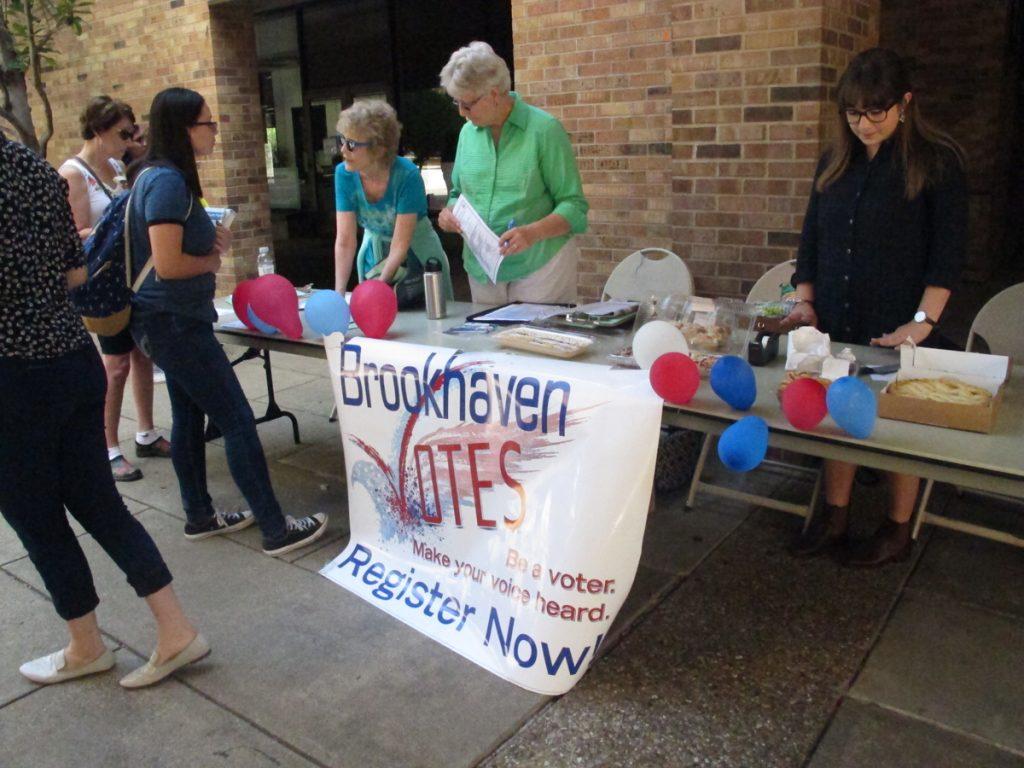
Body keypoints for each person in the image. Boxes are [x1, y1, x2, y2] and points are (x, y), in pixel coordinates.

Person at [0, 130, 207, 689]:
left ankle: (86, 644)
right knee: (99, 502)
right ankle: (175, 629)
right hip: (71, 360)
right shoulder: (37, 171)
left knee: (38, 520)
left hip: (11, 377)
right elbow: (76, 273)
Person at [786, 48, 968, 567]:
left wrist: (922, 324)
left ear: (904, 104)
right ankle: (835, 516)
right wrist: (805, 302)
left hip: (900, 321)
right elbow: (812, 240)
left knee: (895, 423)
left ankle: (897, 526)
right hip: (840, 316)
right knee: (839, 412)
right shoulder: (834, 161)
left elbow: (947, 256)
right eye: (853, 113)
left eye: (875, 112)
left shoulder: (936, 161)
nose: (863, 124)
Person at [128, 87, 327, 557]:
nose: (214, 131)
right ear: (183, 128)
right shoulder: (167, 182)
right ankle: (277, 528)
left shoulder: (154, 177)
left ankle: (199, 514)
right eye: (207, 123)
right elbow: (169, 264)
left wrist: (208, 242)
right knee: (237, 419)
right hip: (174, 322)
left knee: (189, 415)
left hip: (168, 320)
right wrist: (211, 264)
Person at [59, 96, 171, 483]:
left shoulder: (115, 166)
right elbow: (74, 236)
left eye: (132, 132)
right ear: (98, 130)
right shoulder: (74, 173)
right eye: (123, 133)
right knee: (116, 364)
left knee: (142, 356)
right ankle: (108, 447)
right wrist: (115, 227)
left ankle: (146, 431)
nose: (129, 140)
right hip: (103, 282)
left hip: (129, 278)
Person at [437, 41, 589, 304]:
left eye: (468, 104)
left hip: (540, 267)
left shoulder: (544, 130)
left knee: (535, 342)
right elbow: (458, 193)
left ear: (494, 94)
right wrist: (449, 213)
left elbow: (574, 206)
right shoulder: (467, 134)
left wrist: (533, 232)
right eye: (456, 103)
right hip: (482, 269)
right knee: (485, 344)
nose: (461, 113)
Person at [333, 99, 454, 303]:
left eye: (352, 144)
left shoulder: (407, 175)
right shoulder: (343, 174)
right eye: (342, 140)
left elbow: (400, 244)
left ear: (378, 149)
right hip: (376, 254)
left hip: (419, 255)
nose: (343, 150)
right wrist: (339, 294)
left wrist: (377, 290)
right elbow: (345, 241)